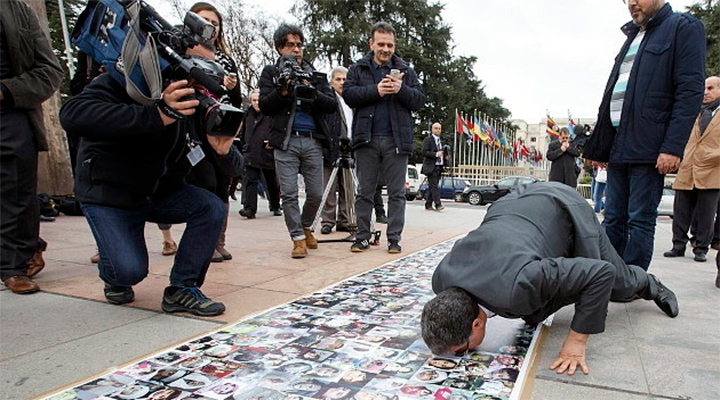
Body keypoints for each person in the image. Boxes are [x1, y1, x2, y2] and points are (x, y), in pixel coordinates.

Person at [421, 182, 679, 376]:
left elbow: (600, 273)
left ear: (477, 324)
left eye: (463, 349)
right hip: (515, 208)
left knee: (619, 285)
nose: (466, 355)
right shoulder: (441, 279)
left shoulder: (518, 285)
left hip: (563, 207)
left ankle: (651, 284)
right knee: (532, 312)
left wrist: (576, 340)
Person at [59, 42, 241, 316]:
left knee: (211, 206)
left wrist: (222, 152)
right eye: (195, 71)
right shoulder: (125, 83)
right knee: (129, 272)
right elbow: (72, 114)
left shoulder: (197, 105)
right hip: (110, 193)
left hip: (159, 192)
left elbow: (238, 167)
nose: (198, 82)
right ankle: (112, 272)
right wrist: (157, 115)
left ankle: (182, 288)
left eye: (207, 73)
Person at [582, 0, 706, 271]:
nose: (632, 3)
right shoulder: (632, 36)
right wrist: (600, 148)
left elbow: (689, 91)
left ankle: (631, 280)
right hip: (619, 144)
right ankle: (607, 275)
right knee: (613, 216)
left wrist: (672, 146)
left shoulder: (682, 28)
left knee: (639, 218)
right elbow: (614, 94)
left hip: (650, 146)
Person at [344, 21, 425, 254]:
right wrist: (376, 91)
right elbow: (349, 95)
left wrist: (401, 89)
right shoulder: (358, 69)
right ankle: (362, 236)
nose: (385, 49)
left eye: (389, 45)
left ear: (394, 45)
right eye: (381, 44)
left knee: (397, 193)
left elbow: (419, 100)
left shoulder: (406, 71)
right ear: (371, 44)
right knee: (365, 192)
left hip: (396, 141)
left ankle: (394, 239)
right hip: (365, 139)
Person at [0, 0, 64, 294]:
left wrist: (6, 91)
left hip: (11, 112)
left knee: (15, 191)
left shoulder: (19, 11)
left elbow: (49, 70)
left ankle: (16, 264)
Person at [259, 23, 337, 258]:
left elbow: (331, 105)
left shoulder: (314, 74)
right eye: (290, 45)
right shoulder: (271, 73)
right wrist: (282, 91)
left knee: (316, 193)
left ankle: (305, 225)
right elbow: (264, 106)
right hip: (285, 141)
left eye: (299, 45)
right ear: (280, 48)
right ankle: (297, 237)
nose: (296, 49)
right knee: (290, 194)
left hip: (313, 140)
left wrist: (312, 91)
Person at [664, 77, 720, 263]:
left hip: (712, 170)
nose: (705, 92)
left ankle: (701, 248)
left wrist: (710, 156)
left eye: (711, 88)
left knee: (706, 213)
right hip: (687, 168)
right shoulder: (692, 113)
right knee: (680, 210)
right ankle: (678, 245)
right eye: (703, 87)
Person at [238, 89, 281, 219]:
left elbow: (277, 130)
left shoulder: (270, 113)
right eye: (254, 100)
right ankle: (250, 209)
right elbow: (243, 131)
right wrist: (245, 145)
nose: (257, 103)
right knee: (250, 180)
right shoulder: (247, 114)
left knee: (271, 182)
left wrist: (272, 142)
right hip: (251, 153)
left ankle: (275, 205)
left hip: (267, 153)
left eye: (258, 100)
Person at [320, 66, 353, 235]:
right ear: (331, 82)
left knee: (348, 188)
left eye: (344, 79)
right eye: (338, 79)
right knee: (329, 188)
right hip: (330, 148)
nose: (341, 83)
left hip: (350, 149)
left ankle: (345, 220)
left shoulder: (352, 101)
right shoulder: (328, 99)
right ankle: (327, 221)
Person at [421, 123, 446, 211]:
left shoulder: (441, 141)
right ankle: (438, 204)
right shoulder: (428, 140)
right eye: (436, 128)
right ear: (432, 129)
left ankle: (428, 204)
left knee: (432, 186)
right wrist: (436, 154)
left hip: (439, 166)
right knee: (434, 186)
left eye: (439, 128)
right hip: (431, 167)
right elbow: (424, 152)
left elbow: (443, 152)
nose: (438, 130)